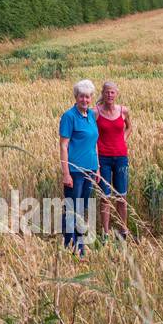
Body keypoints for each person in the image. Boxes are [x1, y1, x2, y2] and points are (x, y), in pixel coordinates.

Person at [58, 79, 99, 254]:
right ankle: (69, 244)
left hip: (90, 169)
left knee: (82, 207)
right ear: (76, 97)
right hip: (75, 171)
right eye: (82, 96)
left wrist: (97, 167)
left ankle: (80, 244)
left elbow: (94, 143)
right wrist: (66, 173)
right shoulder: (69, 116)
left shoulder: (90, 115)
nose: (85, 100)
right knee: (71, 208)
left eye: (88, 97)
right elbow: (63, 146)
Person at [96, 80, 131, 240]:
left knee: (121, 197)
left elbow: (129, 127)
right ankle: (106, 233)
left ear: (116, 94)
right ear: (102, 93)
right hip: (103, 158)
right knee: (105, 197)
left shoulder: (124, 110)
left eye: (112, 92)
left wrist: (123, 139)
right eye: (107, 92)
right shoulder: (95, 112)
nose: (109, 95)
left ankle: (124, 231)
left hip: (121, 158)